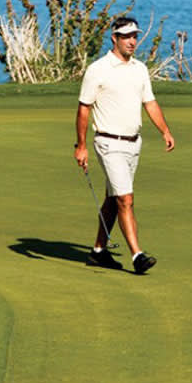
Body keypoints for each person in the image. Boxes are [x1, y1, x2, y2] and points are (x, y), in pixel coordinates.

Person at [74, 16, 175, 274]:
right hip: (108, 143)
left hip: (133, 143)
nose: (132, 41)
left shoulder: (139, 69)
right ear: (114, 38)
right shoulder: (98, 69)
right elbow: (84, 109)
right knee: (126, 200)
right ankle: (137, 255)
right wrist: (81, 146)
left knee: (113, 198)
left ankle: (98, 251)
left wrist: (164, 130)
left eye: (134, 36)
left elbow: (149, 102)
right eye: (127, 36)